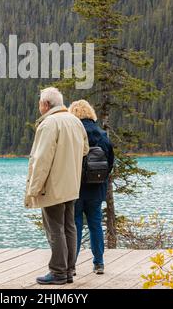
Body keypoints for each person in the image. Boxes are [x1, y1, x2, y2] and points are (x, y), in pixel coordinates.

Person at [25, 87, 89, 285]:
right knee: (69, 226)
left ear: (46, 104)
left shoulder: (49, 124)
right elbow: (85, 149)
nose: (39, 106)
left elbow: (41, 159)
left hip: (52, 185)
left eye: (40, 103)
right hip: (71, 185)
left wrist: (34, 189)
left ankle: (58, 272)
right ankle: (69, 270)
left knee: (55, 229)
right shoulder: (75, 121)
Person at [69, 100, 114, 275]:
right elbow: (110, 162)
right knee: (95, 224)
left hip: (76, 187)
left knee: (75, 225)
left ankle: (71, 265)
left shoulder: (74, 132)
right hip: (97, 188)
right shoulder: (102, 134)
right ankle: (99, 263)